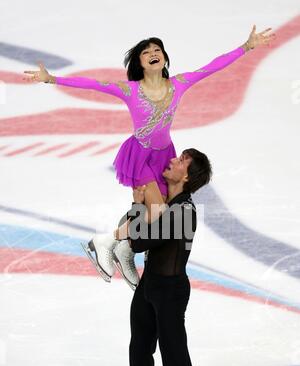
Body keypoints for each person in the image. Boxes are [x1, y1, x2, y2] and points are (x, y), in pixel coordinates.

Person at [23, 26, 276, 290]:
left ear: (164, 58)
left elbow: (212, 67)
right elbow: (94, 85)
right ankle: (106, 241)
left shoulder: (178, 84)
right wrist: (51, 79)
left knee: (153, 210)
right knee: (158, 212)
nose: (153, 53)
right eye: (147, 52)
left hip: (166, 155)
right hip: (140, 156)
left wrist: (246, 47)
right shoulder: (130, 90)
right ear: (140, 62)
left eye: (157, 49)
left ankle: (124, 251)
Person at [111, 148, 218, 366]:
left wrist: (136, 202)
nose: (173, 160)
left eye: (181, 160)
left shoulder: (184, 212)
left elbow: (139, 241)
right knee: (139, 348)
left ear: (187, 175)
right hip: (150, 287)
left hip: (170, 293)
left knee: (176, 365)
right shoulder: (166, 203)